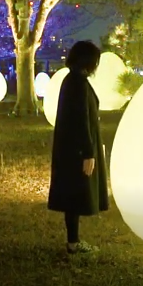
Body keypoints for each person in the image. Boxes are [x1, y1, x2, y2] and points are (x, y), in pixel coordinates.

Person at [47, 40, 109, 254]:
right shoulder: (77, 83)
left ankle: (73, 240)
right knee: (74, 195)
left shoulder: (72, 80)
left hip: (70, 148)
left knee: (72, 195)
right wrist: (88, 153)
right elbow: (81, 120)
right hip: (75, 150)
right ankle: (73, 242)